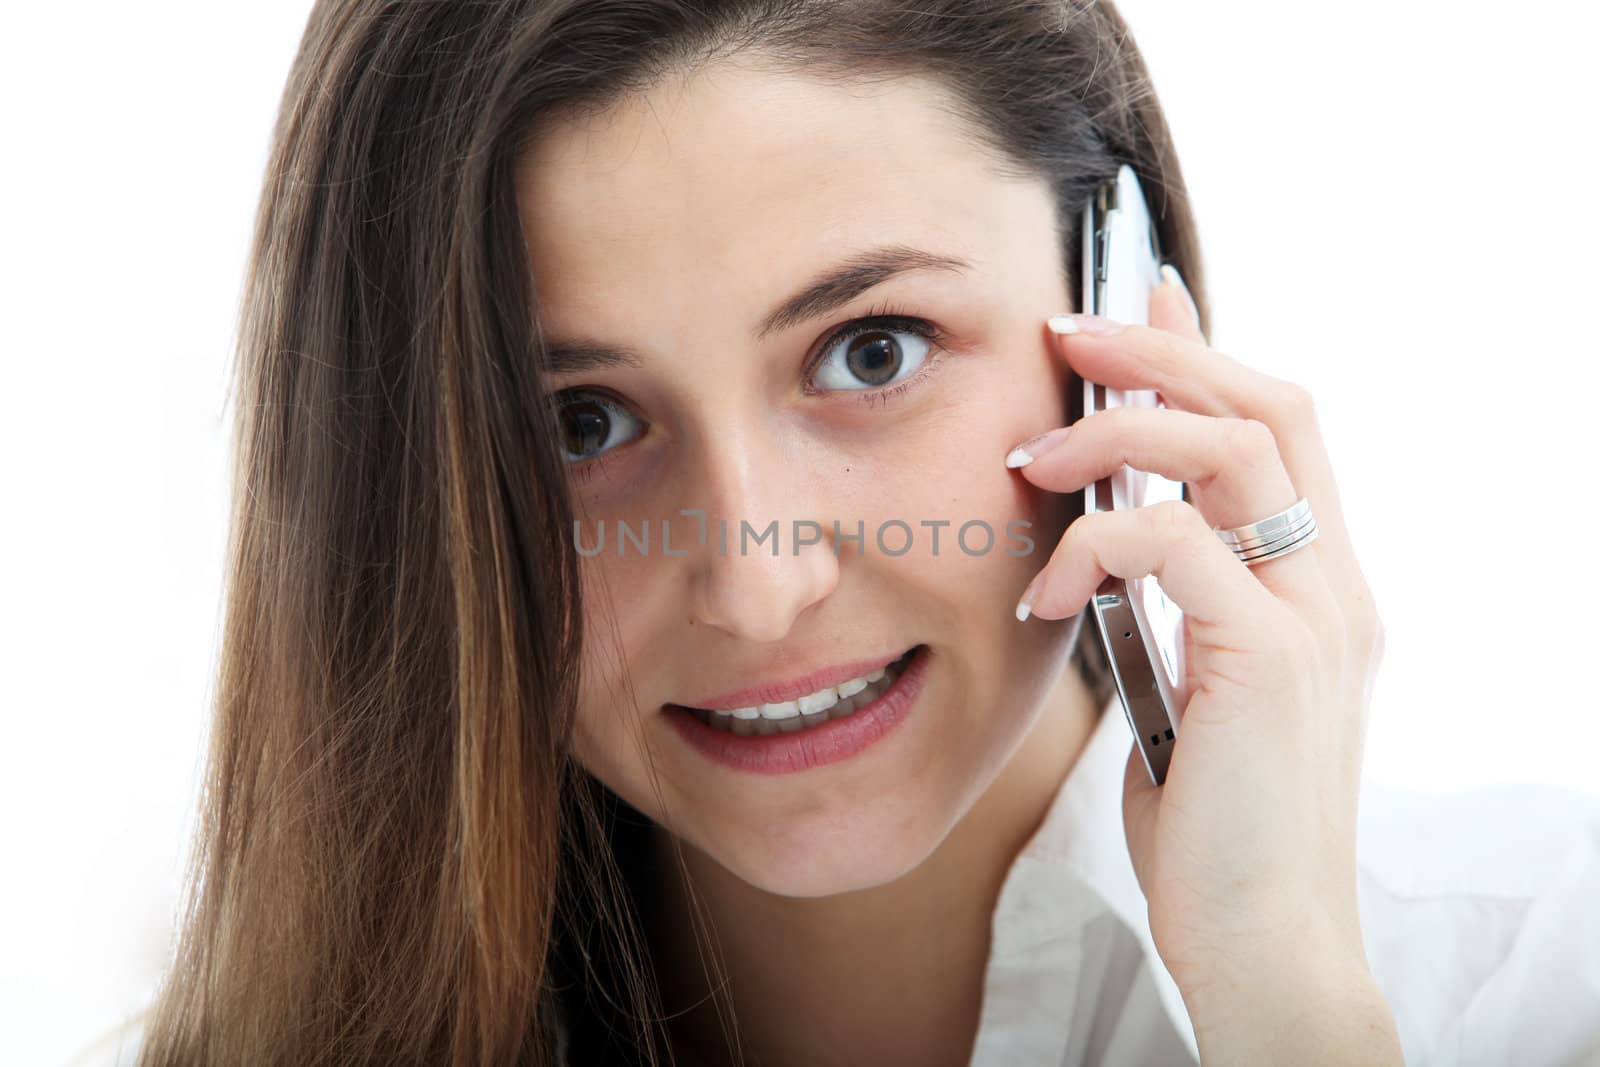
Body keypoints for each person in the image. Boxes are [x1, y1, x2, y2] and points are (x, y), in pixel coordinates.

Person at [124, 1, 1600, 1065]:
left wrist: (1286, 996)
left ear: (1123, 300)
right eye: (579, 423)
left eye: (874, 352)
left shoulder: (1535, 983)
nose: (759, 590)